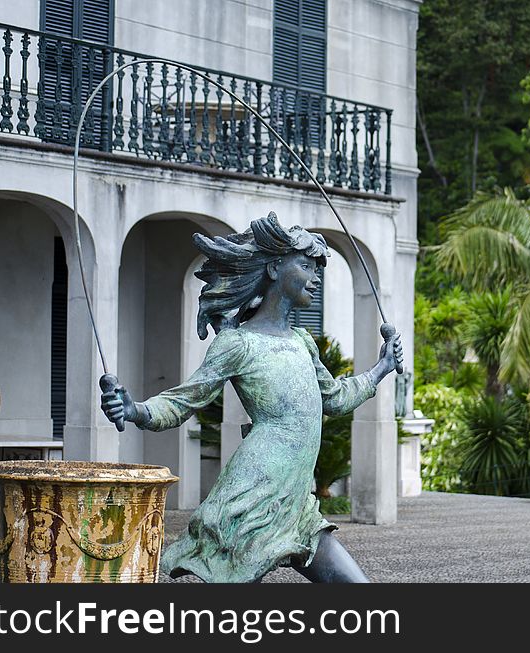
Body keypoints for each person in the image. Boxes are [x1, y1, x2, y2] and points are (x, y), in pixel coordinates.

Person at [100, 212, 402, 583]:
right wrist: (136, 410)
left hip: (297, 507)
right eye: (306, 266)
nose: (315, 277)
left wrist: (381, 368)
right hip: (251, 499)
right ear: (275, 268)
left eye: (316, 268)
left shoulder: (303, 343)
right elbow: (183, 402)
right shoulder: (237, 343)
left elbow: (335, 398)